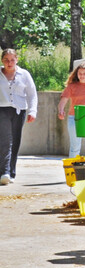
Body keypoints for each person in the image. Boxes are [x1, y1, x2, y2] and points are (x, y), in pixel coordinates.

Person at [0, 49, 37, 185]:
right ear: (2, 60)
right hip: (2, 110)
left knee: (15, 141)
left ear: (17, 60)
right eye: (6, 60)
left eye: (12, 60)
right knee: (5, 141)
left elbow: (32, 94)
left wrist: (33, 111)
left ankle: (11, 172)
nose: (9, 63)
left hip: (19, 111)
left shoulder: (24, 74)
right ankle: (4, 172)